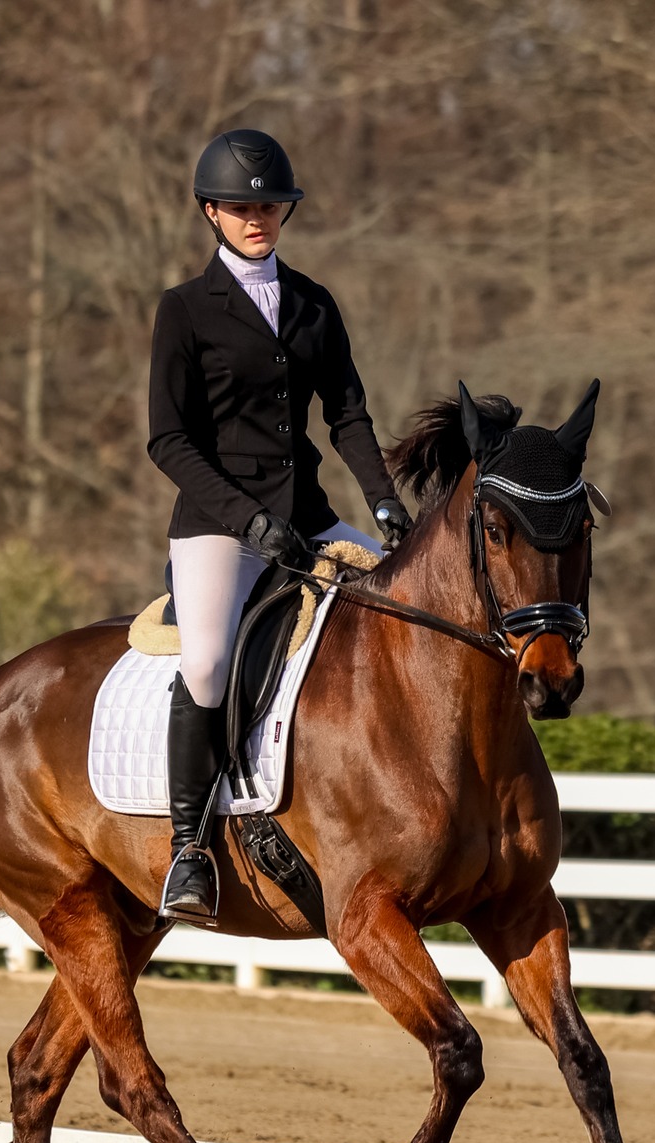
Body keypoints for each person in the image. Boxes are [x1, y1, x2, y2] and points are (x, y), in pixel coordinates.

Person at [148, 127, 413, 920]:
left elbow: (349, 414)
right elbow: (168, 439)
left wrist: (384, 502)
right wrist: (247, 522)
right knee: (205, 663)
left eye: (268, 204)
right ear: (211, 212)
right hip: (217, 525)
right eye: (239, 206)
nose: (256, 216)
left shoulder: (312, 304)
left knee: (406, 612)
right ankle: (188, 851)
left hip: (310, 516)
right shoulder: (185, 311)